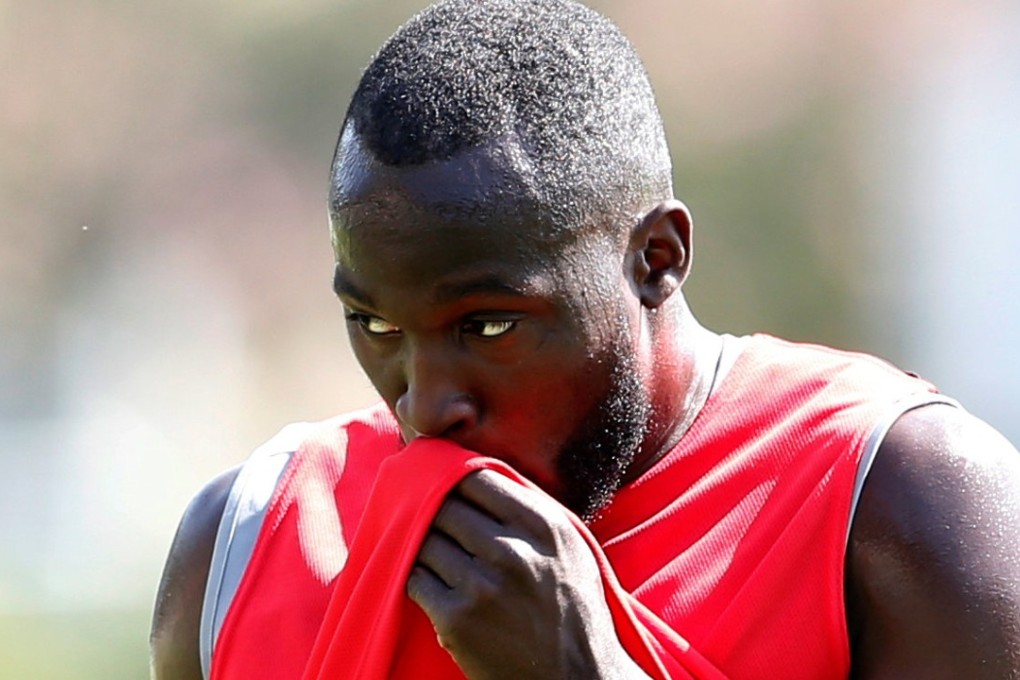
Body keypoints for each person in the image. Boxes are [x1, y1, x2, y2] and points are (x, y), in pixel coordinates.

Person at [149, 0, 1020, 677]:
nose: (425, 405)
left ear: (656, 258)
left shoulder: (904, 506)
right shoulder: (244, 546)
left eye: (488, 325)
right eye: (375, 325)